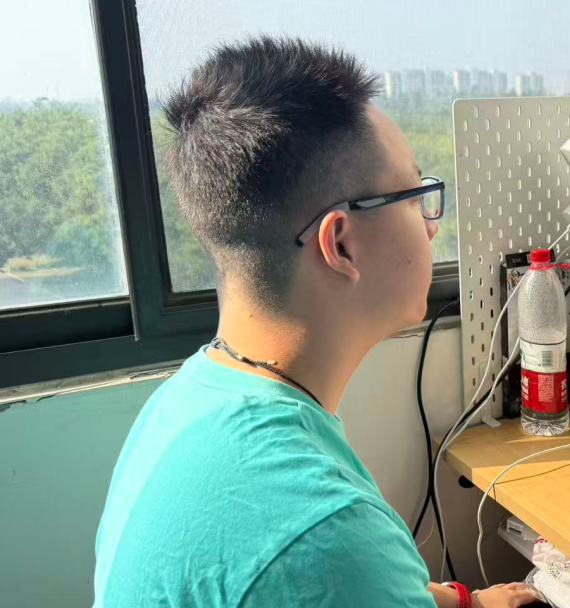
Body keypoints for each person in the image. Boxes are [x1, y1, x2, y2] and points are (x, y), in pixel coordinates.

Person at [92, 37, 538, 608]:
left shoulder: (190, 399)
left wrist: (466, 602)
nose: (431, 226)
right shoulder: (322, 531)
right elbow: (326, 562)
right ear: (341, 244)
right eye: (415, 196)